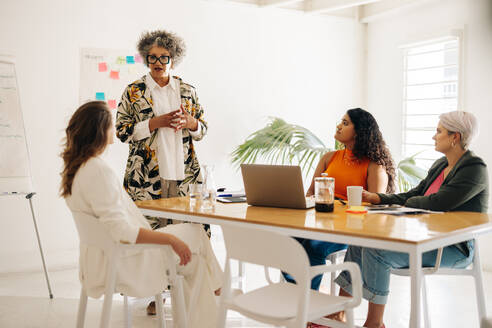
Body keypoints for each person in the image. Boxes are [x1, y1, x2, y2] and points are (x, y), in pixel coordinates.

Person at [61, 101, 222, 326]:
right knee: (195, 235)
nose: (114, 130)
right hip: (126, 261)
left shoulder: (76, 170)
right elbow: (122, 231)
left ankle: (215, 290)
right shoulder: (98, 171)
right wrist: (170, 239)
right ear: (100, 131)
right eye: (110, 125)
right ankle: (219, 287)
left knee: (193, 262)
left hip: (102, 261)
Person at [333, 111, 488, 328]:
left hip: (453, 248)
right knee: (360, 243)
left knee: (378, 251)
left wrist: (409, 203)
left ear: (455, 137)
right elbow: (415, 194)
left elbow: (438, 202)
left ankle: (374, 323)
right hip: (427, 239)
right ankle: (340, 312)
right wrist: (379, 197)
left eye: (439, 131)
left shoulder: (474, 168)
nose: (434, 136)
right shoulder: (441, 165)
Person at [283, 108, 396, 291]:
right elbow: (311, 193)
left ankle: (307, 303)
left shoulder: (374, 166)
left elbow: (375, 208)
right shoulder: (329, 158)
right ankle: (294, 294)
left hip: (349, 229)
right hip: (320, 221)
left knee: (312, 247)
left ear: (360, 131)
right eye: (340, 121)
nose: (339, 126)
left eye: (345, 123)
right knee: (288, 240)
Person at [116, 29, 209, 232]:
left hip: (184, 174)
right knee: (150, 235)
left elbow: (202, 130)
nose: (158, 62)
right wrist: (154, 123)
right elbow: (122, 132)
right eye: (153, 57)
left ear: (172, 61)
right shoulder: (133, 91)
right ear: (146, 59)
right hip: (146, 176)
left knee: (187, 235)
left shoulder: (188, 91)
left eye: (164, 57)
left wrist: (191, 123)